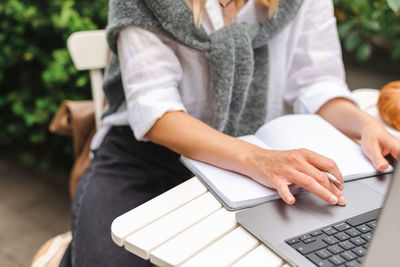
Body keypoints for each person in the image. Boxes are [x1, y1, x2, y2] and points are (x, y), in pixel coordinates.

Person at [59, 0, 400, 266]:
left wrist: (364, 124)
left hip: (253, 168)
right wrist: (258, 160)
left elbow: (316, 83)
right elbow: (156, 112)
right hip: (146, 159)